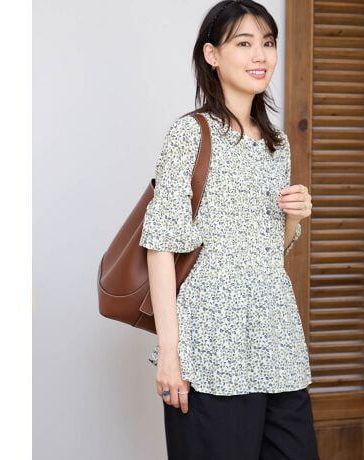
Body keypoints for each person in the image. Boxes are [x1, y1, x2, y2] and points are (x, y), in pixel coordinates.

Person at [139, 1, 319, 458]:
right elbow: (160, 246)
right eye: (244, 43)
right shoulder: (190, 133)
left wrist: (294, 216)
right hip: (212, 346)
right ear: (212, 55)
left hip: (277, 339)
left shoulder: (277, 144)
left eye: (268, 42)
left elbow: (270, 251)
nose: (260, 55)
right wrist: (169, 353)